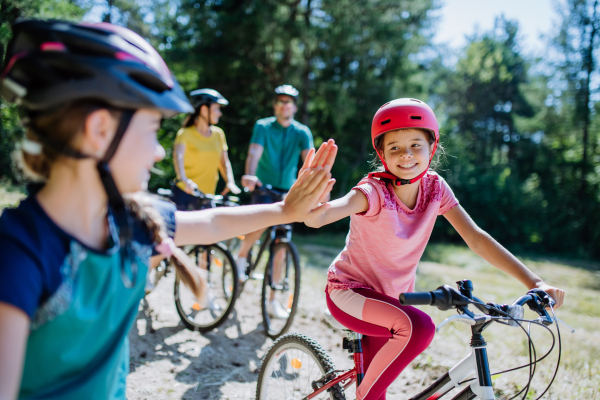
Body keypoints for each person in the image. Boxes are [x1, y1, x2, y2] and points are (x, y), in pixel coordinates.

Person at [0, 19, 337, 400]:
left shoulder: (128, 222)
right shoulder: (19, 252)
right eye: (151, 128)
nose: (160, 150)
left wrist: (286, 210)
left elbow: (211, 222)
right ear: (99, 131)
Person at [304, 98, 566, 400]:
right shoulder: (372, 192)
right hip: (350, 292)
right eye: (395, 148)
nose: (406, 155)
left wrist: (535, 283)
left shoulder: (435, 188)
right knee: (419, 330)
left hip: (394, 301)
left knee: (379, 387)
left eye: (416, 145)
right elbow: (321, 216)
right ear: (382, 154)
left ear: (432, 147)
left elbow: (476, 238)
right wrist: (315, 198)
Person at [237, 85, 314, 317]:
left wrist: (314, 186)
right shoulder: (263, 126)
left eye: (288, 102)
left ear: (294, 107)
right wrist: (250, 175)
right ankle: (241, 257)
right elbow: (254, 153)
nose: (284, 105)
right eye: (280, 101)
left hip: (287, 191)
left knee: (281, 246)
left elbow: (309, 162)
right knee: (258, 224)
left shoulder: (302, 132)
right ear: (275, 105)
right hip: (263, 186)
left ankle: (273, 300)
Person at [171, 88, 241, 211]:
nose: (219, 113)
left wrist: (230, 181)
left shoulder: (218, 134)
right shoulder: (185, 133)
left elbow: (224, 162)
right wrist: (183, 179)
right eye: (216, 109)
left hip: (207, 196)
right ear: (204, 110)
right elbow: (178, 156)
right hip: (184, 192)